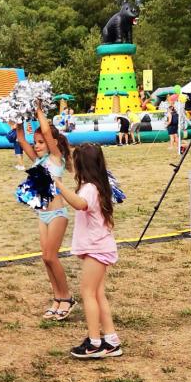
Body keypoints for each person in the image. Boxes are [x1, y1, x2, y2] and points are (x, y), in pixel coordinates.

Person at [54, 144, 123, 359]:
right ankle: (111, 340)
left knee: (88, 293)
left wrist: (58, 185)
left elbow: (79, 204)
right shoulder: (97, 185)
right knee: (97, 293)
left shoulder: (90, 189)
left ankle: (94, 343)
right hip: (100, 247)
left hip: (97, 249)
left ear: (82, 165)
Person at [14, 100, 75, 321]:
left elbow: (47, 132)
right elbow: (21, 140)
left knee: (51, 256)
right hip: (43, 215)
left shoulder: (56, 159)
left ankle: (67, 297)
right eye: (36, 142)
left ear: (52, 143)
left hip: (58, 214)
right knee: (46, 258)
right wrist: (18, 118)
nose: (37, 145)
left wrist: (39, 109)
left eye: (41, 142)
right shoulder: (37, 161)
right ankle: (57, 298)